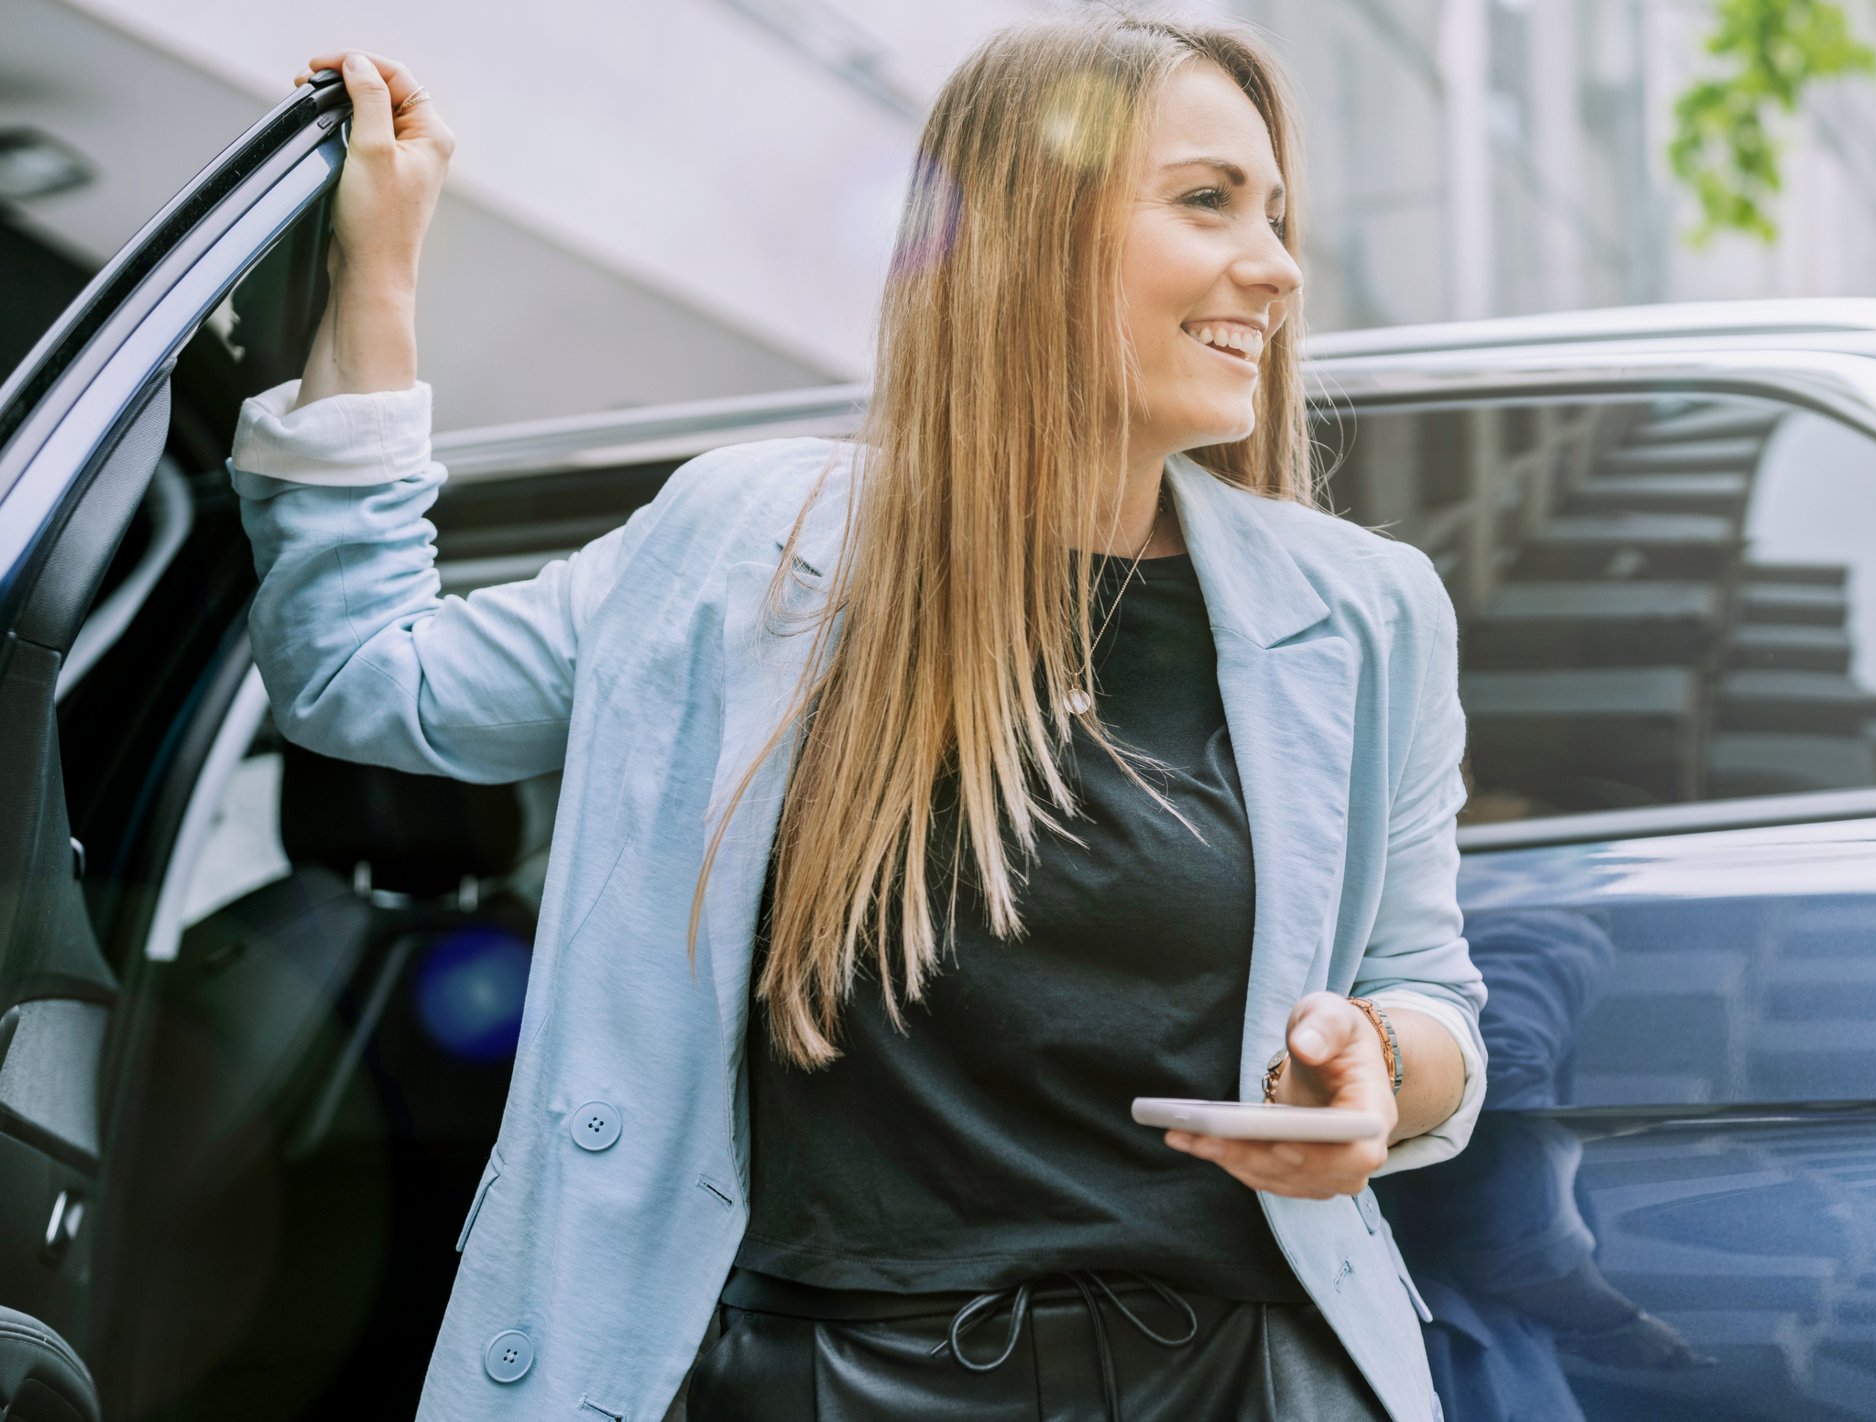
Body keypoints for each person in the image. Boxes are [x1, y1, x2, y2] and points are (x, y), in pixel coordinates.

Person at [233, 11, 1486, 1421]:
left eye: (1274, 211)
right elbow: (362, 676)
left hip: (1245, 1378)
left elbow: (1431, 989)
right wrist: (378, 270)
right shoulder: (747, 544)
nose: (1276, 264)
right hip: (832, 1380)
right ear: (1029, 231)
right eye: (1207, 202)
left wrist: (1379, 1067)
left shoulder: (1369, 610)